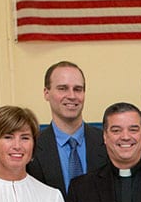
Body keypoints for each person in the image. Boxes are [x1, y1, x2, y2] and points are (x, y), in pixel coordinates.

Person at [26, 61, 107, 193]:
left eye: (78, 89)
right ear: (46, 93)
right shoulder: (32, 147)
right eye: (62, 88)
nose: (71, 96)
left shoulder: (106, 142)